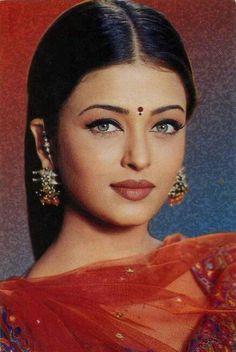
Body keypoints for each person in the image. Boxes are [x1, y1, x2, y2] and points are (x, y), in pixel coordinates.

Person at [0, 0, 235, 351]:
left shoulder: (226, 274)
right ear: (44, 143)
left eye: (165, 125)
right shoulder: (11, 329)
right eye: (105, 124)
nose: (139, 157)